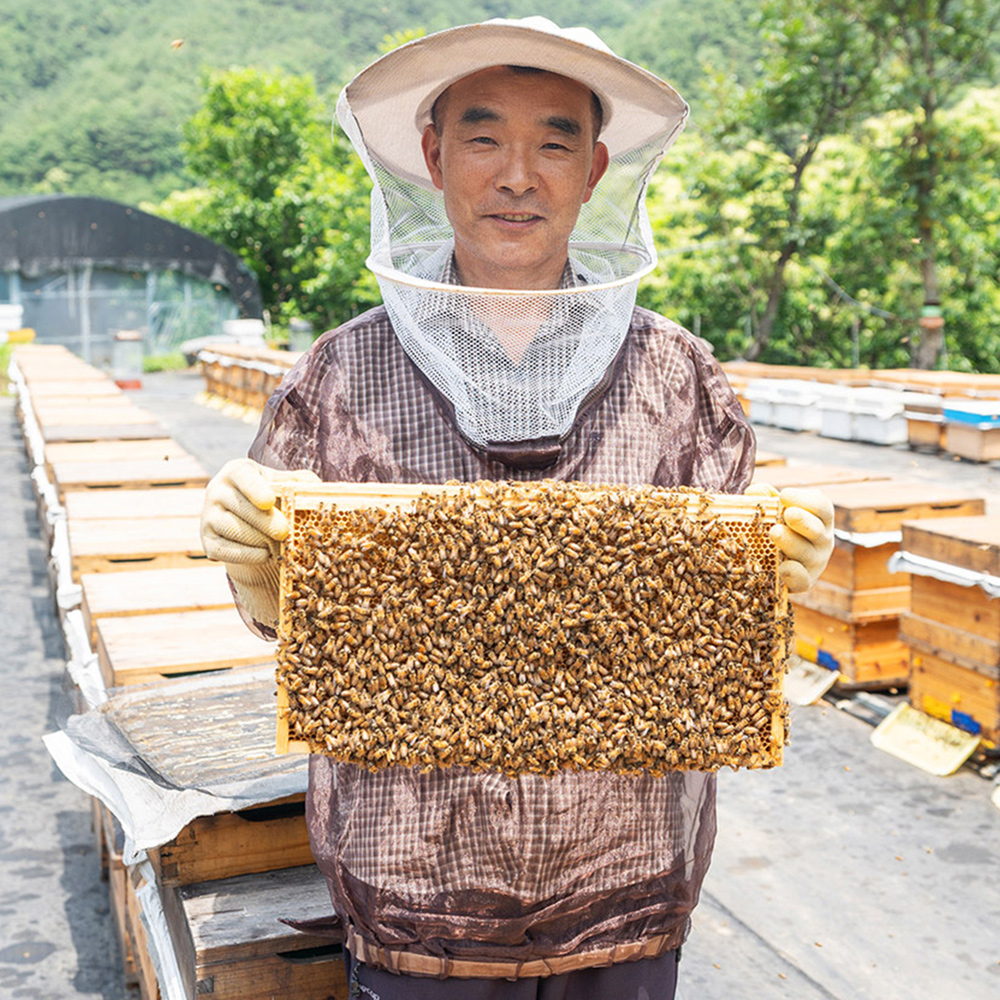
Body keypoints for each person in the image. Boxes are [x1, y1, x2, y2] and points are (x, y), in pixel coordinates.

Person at [200, 17, 834, 999]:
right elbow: (289, 621)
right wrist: (256, 559)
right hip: (413, 896)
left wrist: (780, 570)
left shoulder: (679, 376)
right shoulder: (338, 373)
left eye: (553, 142)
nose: (516, 175)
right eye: (485, 136)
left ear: (593, 169)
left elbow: (729, 622)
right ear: (433, 155)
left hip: (624, 889)